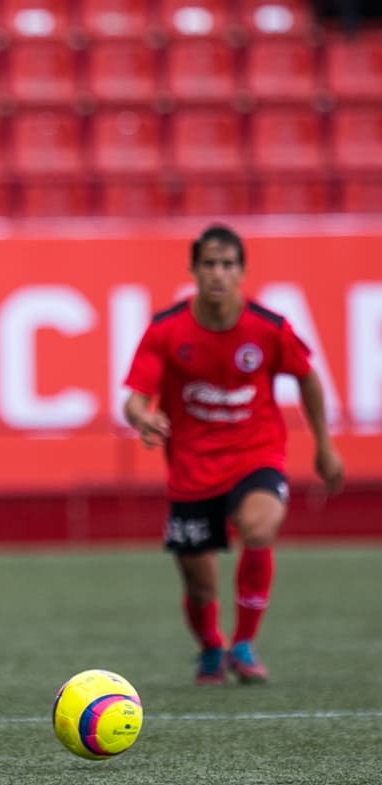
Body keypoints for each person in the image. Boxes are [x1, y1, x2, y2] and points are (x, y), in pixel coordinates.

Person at [122, 223, 345, 686]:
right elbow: (135, 397)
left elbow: (307, 376)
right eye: (209, 264)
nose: (217, 274)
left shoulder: (268, 328)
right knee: (199, 583)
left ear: (242, 271)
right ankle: (211, 646)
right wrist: (142, 418)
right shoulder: (166, 330)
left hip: (254, 454)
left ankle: (244, 645)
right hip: (191, 469)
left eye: (227, 264)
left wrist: (323, 444)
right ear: (193, 270)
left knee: (260, 525)